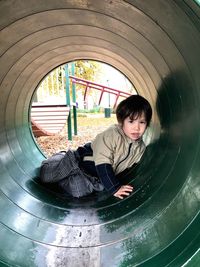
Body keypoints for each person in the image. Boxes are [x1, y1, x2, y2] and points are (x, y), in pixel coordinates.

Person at [40, 95, 152, 199]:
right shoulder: (113, 135)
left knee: (78, 192)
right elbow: (103, 163)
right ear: (121, 122)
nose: (136, 128)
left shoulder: (140, 148)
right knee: (46, 175)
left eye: (142, 122)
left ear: (147, 124)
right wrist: (114, 188)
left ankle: (63, 180)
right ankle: (61, 157)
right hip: (78, 162)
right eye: (131, 121)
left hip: (94, 178)